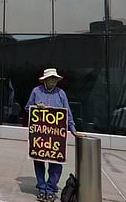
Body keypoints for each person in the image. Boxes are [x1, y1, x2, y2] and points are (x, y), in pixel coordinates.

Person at [25, 68, 83, 202]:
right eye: (51, 79)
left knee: (56, 162)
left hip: (56, 136)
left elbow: (67, 112)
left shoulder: (61, 94)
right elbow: (28, 108)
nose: (53, 81)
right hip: (40, 134)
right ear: (45, 80)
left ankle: (51, 188)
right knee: (38, 160)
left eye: (55, 79)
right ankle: (41, 188)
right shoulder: (36, 91)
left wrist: (73, 128)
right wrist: (35, 107)